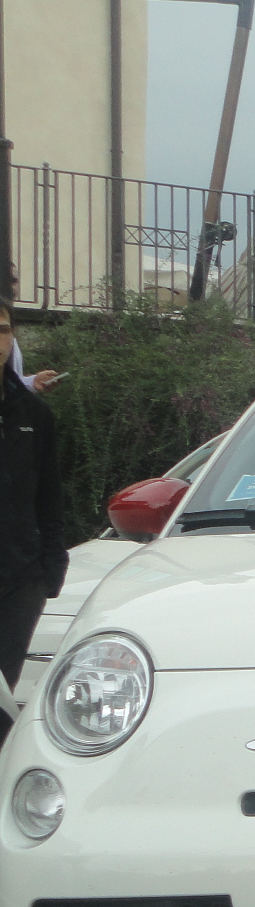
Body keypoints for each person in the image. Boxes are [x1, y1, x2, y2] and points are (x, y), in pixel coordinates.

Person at [0, 301, 68, 729]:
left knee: (4, 696)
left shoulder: (33, 414)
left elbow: (49, 496)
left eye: (3, 330)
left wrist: (50, 568)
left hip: (20, 578)